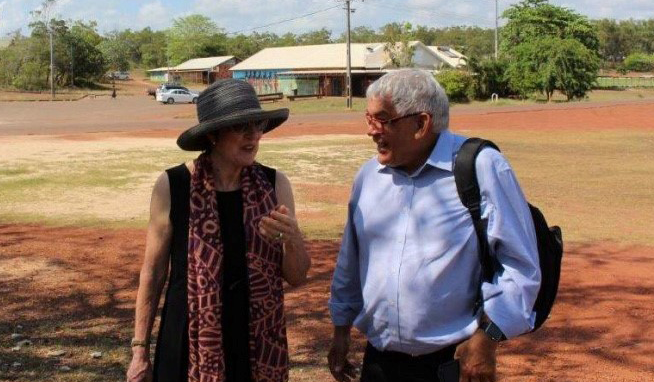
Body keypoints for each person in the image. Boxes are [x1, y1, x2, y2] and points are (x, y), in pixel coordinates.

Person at [328, 69, 541, 382]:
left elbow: (520, 265)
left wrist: (488, 339)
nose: (371, 131)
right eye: (368, 118)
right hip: (379, 363)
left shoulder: (480, 167)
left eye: (382, 119)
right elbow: (352, 259)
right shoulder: (368, 178)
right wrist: (341, 329)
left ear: (421, 124)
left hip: (451, 363)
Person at [126, 79, 311, 382]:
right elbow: (153, 273)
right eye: (241, 127)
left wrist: (294, 240)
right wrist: (139, 351)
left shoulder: (275, 186)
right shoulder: (173, 186)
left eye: (258, 125)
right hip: (188, 338)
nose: (254, 136)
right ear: (213, 134)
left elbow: (296, 276)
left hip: (255, 341)